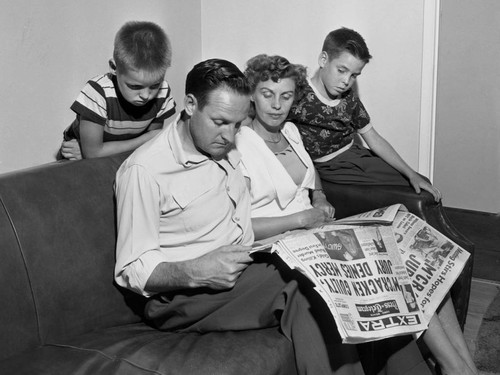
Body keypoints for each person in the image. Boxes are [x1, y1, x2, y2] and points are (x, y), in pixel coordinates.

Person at [114, 58, 363, 374]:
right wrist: (195, 270)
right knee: (308, 287)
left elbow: (245, 219)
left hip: (245, 263)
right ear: (190, 104)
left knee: (346, 270)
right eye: (219, 122)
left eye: (237, 124)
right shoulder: (146, 170)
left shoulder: (226, 145)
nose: (230, 136)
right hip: (181, 294)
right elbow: (132, 269)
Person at [236, 53, 477, 375]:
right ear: (252, 93)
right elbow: (238, 227)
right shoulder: (238, 143)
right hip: (277, 246)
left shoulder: (292, 132)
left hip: (312, 232)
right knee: (390, 266)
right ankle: (452, 367)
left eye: (286, 95)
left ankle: (464, 366)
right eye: (267, 94)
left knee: (412, 253)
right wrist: (299, 220)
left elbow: (310, 176)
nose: (277, 105)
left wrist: (319, 197)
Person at [287, 27, 442, 202]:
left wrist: (410, 173)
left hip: (355, 156)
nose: (346, 81)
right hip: (330, 167)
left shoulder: (349, 98)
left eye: (354, 75)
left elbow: (373, 138)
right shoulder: (298, 94)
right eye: (341, 70)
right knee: (405, 194)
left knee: (421, 183)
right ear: (324, 60)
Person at [59, 21, 176, 160]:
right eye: (135, 86)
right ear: (114, 68)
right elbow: (93, 153)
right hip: (76, 156)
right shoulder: (97, 92)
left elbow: (151, 145)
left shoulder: (163, 91)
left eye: (154, 85)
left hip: (120, 154)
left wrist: (149, 140)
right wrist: (145, 140)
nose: (146, 96)